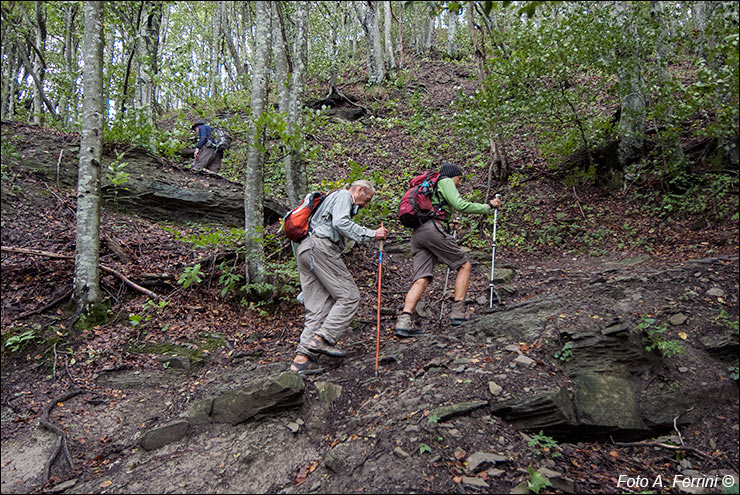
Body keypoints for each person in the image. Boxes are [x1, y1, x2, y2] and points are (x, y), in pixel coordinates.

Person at [290, 180, 389, 375]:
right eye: (366, 199)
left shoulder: (329, 198)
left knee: (317, 308)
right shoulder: (344, 195)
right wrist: (372, 234)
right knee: (349, 296)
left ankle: (300, 362)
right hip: (320, 248)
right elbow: (340, 222)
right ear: (359, 189)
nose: (365, 205)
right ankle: (323, 340)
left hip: (304, 249)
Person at [395, 163, 501, 337]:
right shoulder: (445, 181)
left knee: (422, 277)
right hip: (432, 231)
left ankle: (404, 322)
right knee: (464, 265)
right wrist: (487, 207)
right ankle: (458, 313)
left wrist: (447, 224)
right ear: (453, 176)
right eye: (459, 179)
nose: (459, 184)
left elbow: (434, 211)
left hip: (418, 234)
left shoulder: (431, 186)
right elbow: (461, 205)